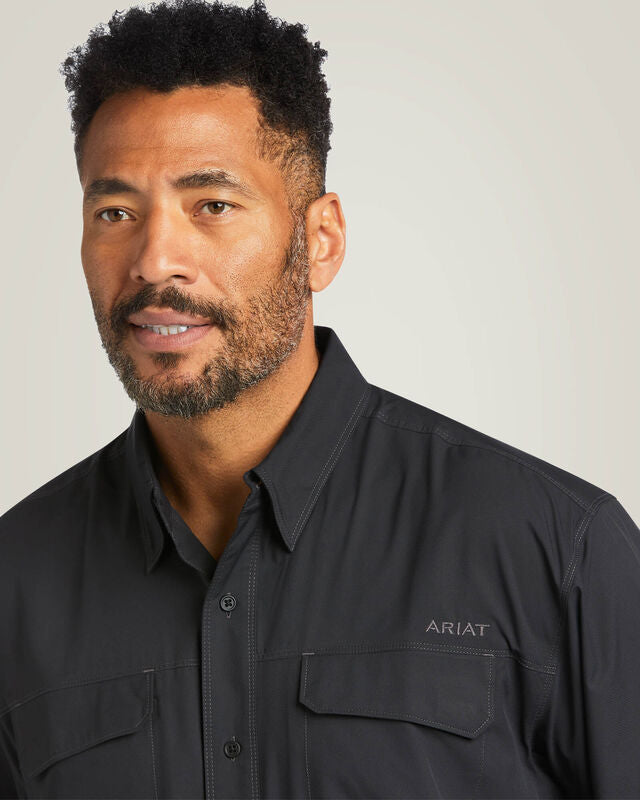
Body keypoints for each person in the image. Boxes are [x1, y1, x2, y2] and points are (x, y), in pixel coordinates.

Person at [0, 0, 638, 797]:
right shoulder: (15, 582)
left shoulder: (556, 550)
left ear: (321, 241)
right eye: (115, 212)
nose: (155, 260)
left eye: (213, 205)